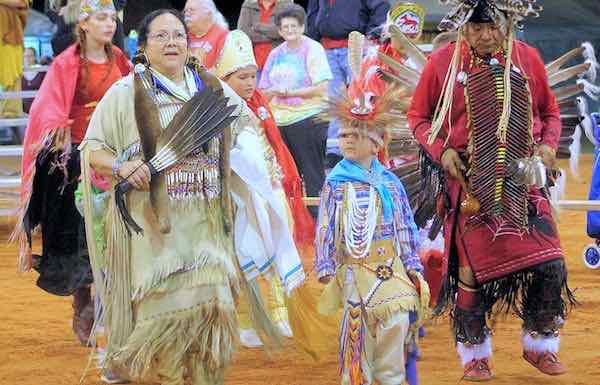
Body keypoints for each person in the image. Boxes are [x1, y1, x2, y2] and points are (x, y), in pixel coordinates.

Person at [80, 9, 297, 384]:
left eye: (178, 35)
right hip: (155, 231)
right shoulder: (125, 93)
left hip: (207, 224)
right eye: (161, 36)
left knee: (210, 319)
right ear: (144, 47)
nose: (171, 43)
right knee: (165, 325)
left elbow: (248, 134)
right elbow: (92, 149)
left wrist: (258, 180)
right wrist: (123, 167)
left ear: (188, 42)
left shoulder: (211, 88)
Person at [408, 0, 576, 380]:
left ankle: (540, 343)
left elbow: (550, 112)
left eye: (493, 27)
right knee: (471, 275)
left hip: (522, 176)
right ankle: (474, 355)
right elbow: (417, 117)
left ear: (508, 23)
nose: (486, 35)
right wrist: (442, 150)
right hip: (470, 182)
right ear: (463, 28)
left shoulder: (526, 58)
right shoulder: (443, 64)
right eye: (476, 27)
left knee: (551, 263)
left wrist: (548, 147)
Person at [12, 0, 130, 348]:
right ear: (84, 24)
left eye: (112, 18)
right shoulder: (66, 65)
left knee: (116, 234)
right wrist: (57, 127)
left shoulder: (120, 60)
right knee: (81, 237)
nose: (109, 24)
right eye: (102, 18)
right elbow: (46, 107)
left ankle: (113, 303)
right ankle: (83, 304)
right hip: (75, 160)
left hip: (116, 157)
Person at [315, 79, 429, 385]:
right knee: (357, 334)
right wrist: (326, 263)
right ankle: (357, 379)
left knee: (397, 319)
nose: (347, 140)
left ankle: (390, 378)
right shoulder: (337, 183)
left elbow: (404, 225)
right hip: (355, 268)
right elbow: (326, 225)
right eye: (343, 135)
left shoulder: (390, 182)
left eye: (356, 134)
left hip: (391, 267)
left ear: (376, 142)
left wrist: (413, 265)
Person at [215, 29, 315, 347]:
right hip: (236, 196)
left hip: (269, 191)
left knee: (275, 245)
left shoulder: (258, 103)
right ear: (225, 78)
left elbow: (273, 146)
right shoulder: (216, 106)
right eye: (241, 77)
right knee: (242, 254)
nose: (249, 83)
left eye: (252, 76)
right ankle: (245, 319)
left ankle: (278, 314)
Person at [258, 4, 332, 216]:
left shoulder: (313, 49)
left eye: (294, 26)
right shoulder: (275, 54)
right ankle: (293, 220)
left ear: (302, 27)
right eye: (285, 27)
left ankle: (318, 220)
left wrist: (288, 93)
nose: (289, 30)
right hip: (280, 121)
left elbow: (321, 88)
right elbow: (264, 89)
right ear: (279, 31)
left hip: (308, 118)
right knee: (285, 174)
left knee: (312, 173)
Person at [306, 0, 389, 168]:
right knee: (334, 101)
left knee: (361, 98)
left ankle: (364, 147)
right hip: (327, 47)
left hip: (356, 46)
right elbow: (313, 12)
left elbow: (380, 5)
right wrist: (313, 40)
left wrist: (372, 36)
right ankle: (335, 150)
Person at [237, 0, 293, 80]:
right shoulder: (249, 4)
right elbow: (242, 32)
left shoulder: (287, 4)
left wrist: (257, 26)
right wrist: (272, 36)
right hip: (253, 63)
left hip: (280, 63)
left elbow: (284, 30)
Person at [0, 0, 29, 119]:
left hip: (11, 40)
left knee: (12, 75)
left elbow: (22, 3)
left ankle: (10, 111)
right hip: (8, 39)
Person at [184, 0, 229, 71]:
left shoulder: (224, 35)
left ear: (208, 14)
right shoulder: (183, 36)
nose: (186, 14)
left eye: (191, 10)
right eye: (185, 11)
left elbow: (222, 69)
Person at [22, 47, 46, 115]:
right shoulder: (19, 72)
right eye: (25, 56)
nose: (27, 58)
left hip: (39, 110)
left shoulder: (42, 71)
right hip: (23, 111)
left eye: (30, 56)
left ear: (35, 57)